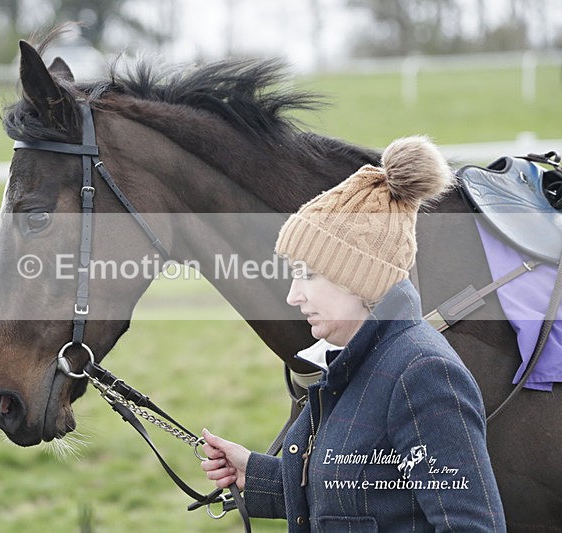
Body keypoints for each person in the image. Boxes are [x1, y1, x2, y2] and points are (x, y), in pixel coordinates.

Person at [200, 136, 506, 532]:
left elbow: (471, 526)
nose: (294, 296)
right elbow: (366, 492)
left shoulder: (423, 376)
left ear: (359, 279)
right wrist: (256, 476)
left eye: (307, 275)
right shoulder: (354, 361)